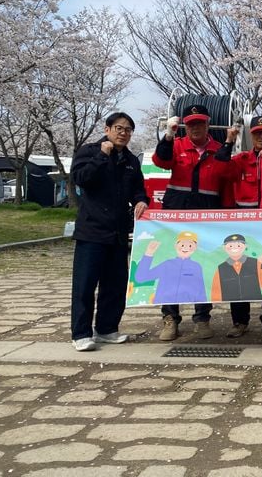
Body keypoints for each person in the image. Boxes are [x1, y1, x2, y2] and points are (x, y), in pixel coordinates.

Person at [153, 104, 232, 341]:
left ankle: (203, 318)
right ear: (184, 126)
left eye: (200, 123)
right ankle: (170, 319)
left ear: (208, 124)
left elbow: (226, 178)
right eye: (190, 124)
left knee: (204, 267)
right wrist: (168, 135)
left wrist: (227, 217)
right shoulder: (175, 146)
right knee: (171, 268)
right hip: (175, 215)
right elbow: (160, 161)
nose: (196, 128)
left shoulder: (219, 150)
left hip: (208, 215)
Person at [70, 112, 148, 351]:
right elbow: (82, 179)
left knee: (115, 285)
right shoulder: (89, 152)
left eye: (128, 130)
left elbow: (138, 187)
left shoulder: (131, 160)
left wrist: (141, 200)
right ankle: (81, 333)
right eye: (119, 128)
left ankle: (106, 329)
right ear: (107, 129)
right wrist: (102, 156)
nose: (123, 133)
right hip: (92, 231)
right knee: (84, 285)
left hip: (118, 232)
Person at [215, 115, 262, 339]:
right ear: (251, 136)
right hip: (243, 221)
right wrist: (228, 142)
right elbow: (221, 170)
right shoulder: (241, 159)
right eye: (257, 133)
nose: (261, 137)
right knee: (238, 269)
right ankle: (239, 320)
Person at [135, 232, 207, 302]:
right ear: (176, 245)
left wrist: (202, 311)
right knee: (169, 310)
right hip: (166, 305)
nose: (186, 248)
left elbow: (201, 291)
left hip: (188, 304)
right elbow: (141, 278)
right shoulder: (167, 265)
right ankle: (169, 314)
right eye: (182, 245)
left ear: (195, 248)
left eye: (190, 246)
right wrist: (148, 253)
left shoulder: (196, 267)